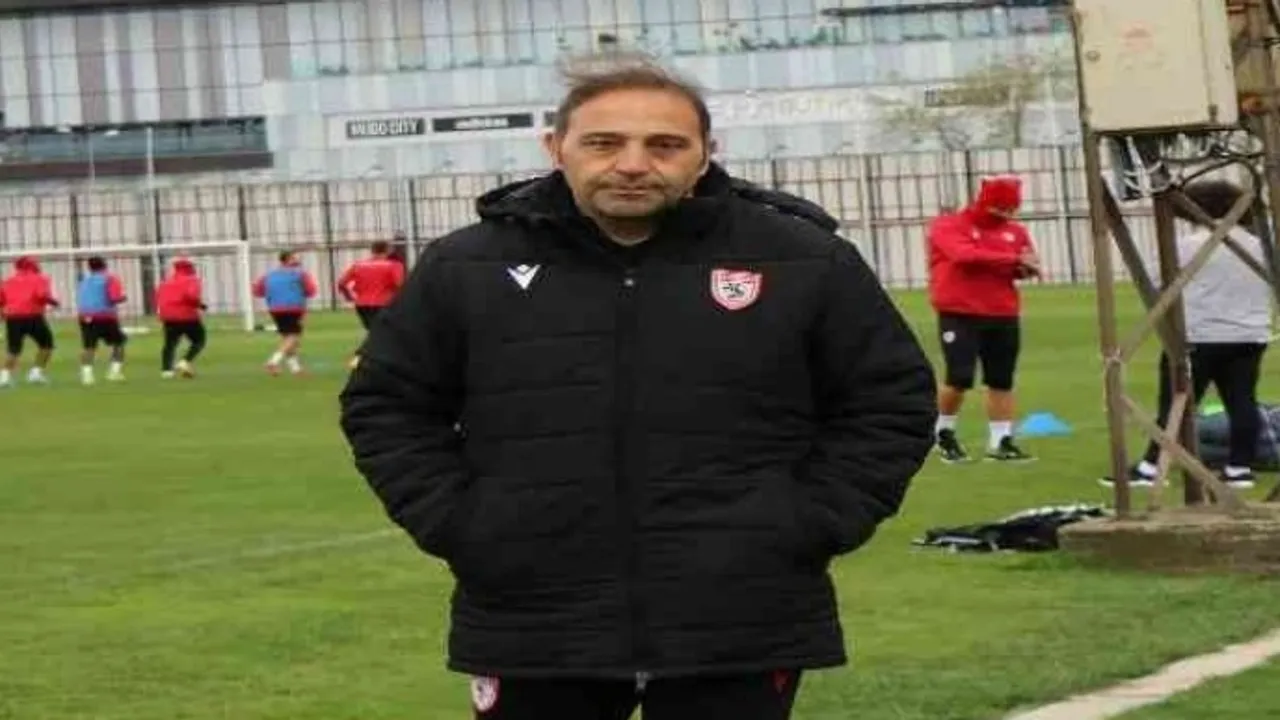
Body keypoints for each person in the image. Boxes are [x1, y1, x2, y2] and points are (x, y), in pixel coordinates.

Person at [339, 56, 937, 720]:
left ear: (706, 154)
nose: (632, 164)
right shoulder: (467, 265)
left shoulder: (804, 258)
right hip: (532, 617)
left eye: (665, 145)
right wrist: (466, 525)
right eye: (604, 142)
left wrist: (806, 522)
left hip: (741, 615)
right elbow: (388, 405)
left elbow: (889, 400)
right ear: (555, 147)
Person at [1103, 180, 1274, 490]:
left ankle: (1151, 466)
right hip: (1249, 335)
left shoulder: (1187, 246)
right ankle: (1240, 468)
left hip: (1198, 335)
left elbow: (1153, 280)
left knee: (1175, 404)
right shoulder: (1261, 245)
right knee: (1242, 402)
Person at [926, 175, 1040, 464]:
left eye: (1012, 209)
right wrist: (1011, 260)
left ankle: (1001, 441)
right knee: (959, 377)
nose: (1007, 215)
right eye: (1002, 209)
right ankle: (942, 432)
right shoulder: (948, 226)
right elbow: (963, 255)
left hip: (1002, 311)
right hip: (960, 312)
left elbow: (1024, 263)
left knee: (1001, 379)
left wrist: (1025, 269)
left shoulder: (1015, 231)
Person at [337, 239, 406, 368]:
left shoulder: (358, 265)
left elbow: (341, 283)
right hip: (383, 303)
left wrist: (349, 296)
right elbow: (400, 285)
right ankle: (361, 357)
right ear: (388, 250)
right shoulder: (394, 265)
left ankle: (374, 360)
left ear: (372, 250)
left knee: (377, 332)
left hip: (362, 304)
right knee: (383, 333)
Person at [253, 250, 317, 376]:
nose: (298, 260)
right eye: (295, 258)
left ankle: (296, 370)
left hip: (274, 309)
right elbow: (311, 291)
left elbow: (257, 291)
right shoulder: (300, 274)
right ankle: (273, 361)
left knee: (287, 339)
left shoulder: (268, 275)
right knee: (294, 337)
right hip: (293, 308)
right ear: (288, 259)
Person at [0, 256, 59, 387]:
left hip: (13, 318)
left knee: (13, 349)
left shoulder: (8, 281)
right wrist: (54, 303)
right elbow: (42, 295)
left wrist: (3, 314)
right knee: (47, 345)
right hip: (33, 316)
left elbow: (1, 300)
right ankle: (36, 373)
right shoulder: (40, 278)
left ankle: (3, 377)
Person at [75, 256, 128, 385]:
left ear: (90, 268)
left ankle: (87, 376)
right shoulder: (110, 278)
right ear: (105, 265)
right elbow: (114, 298)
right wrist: (123, 298)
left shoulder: (85, 281)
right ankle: (114, 372)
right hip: (104, 316)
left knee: (89, 346)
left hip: (85, 316)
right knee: (119, 343)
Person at [155, 257, 208, 379]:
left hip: (169, 317)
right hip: (187, 316)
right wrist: (200, 305)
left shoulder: (166, 282)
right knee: (199, 340)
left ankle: (166, 371)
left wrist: (162, 314)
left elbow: (159, 298)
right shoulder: (192, 280)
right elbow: (191, 296)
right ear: (190, 267)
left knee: (169, 344)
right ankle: (185, 361)